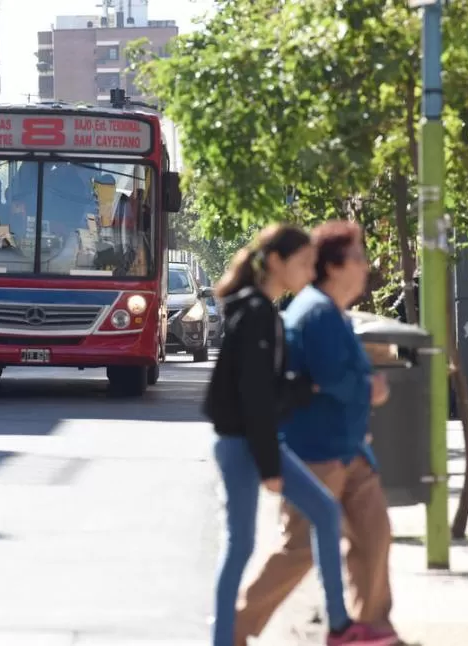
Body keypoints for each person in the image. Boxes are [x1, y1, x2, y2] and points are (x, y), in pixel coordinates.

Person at [203, 224, 396, 646]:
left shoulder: (267, 310)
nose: (309, 273)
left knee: (341, 523)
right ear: (276, 262)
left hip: (305, 445)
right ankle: (228, 634)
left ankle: (349, 627)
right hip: (265, 445)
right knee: (247, 547)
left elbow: (271, 387)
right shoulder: (260, 312)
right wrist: (271, 464)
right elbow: (248, 399)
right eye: (304, 263)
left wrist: (301, 386)